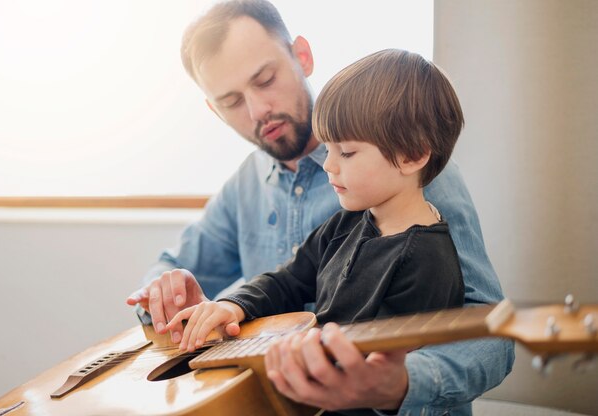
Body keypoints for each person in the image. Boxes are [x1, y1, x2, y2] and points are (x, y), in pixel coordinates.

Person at [125, 1, 514, 414]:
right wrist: (170, 304)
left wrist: (400, 382)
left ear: (303, 57)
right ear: (213, 111)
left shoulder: (405, 170)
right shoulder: (246, 185)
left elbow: (493, 335)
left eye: (266, 79)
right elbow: (181, 270)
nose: (259, 111)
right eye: (232, 101)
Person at [167, 48, 467, 363]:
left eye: (346, 153)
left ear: (412, 156)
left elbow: (379, 372)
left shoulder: (428, 261)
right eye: (328, 149)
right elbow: (288, 279)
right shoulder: (345, 224)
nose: (328, 165)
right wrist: (233, 305)